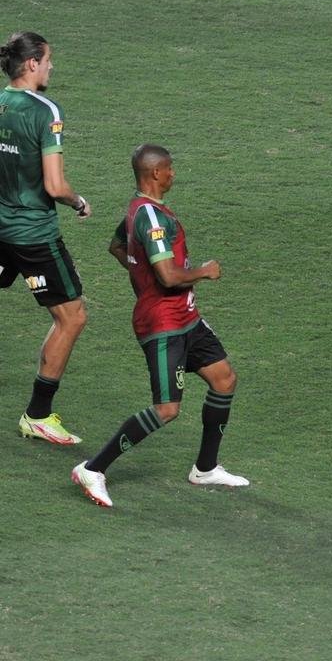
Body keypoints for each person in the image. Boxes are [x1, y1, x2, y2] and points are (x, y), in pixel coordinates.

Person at [71, 144, 247, 507]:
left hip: (188, 318)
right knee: (167, 409)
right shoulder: (150, 216)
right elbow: (167, 276)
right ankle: (93, 468)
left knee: (224, 379)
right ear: (154, 174)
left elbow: (117, 246)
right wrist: (204, 271)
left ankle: (206, 468)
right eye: (169, 169)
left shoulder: (139, 209)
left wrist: (141, 274)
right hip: (163, 324)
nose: (173, 174)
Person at [0, 31, 92, 445]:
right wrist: (79, 202)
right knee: (72, 317)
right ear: (32, 63)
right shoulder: (45, 110)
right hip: (32, 235)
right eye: (49, 59)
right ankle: (38, 415)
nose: (52, 66)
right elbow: (54, 186)